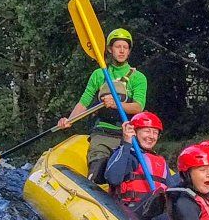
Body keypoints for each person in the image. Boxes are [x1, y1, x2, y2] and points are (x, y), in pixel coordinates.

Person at [54, 27, 148, 180]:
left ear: (129, 51)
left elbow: (138, 107)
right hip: (102, 133)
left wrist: (116, 104)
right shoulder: (99, 75)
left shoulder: (138, 77)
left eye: (125, 47)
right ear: (110, 49)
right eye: (118, 46)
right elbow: (84, 102)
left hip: (127, 135)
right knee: (97, 172)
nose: (122, 51)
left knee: (128, 176)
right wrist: (69, 120)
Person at [100, 112, 168, 205]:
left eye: (155, 133)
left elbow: (171, 191)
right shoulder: (128, 155)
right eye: (147, 131)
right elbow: (113, 179)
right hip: (129, 211)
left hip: (154, 212)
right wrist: (127, 143)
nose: (151, 136)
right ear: (134, 132)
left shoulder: (161, 162)